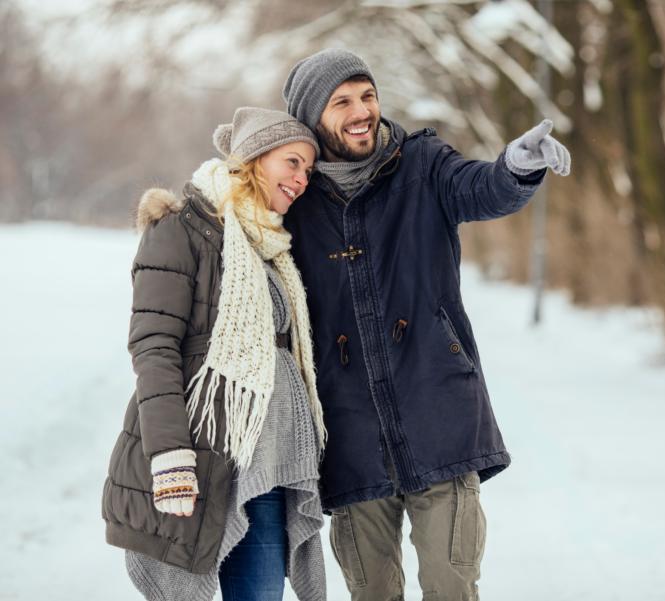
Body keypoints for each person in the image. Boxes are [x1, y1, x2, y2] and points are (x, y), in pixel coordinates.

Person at [280, 49, 571, 600]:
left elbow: (481, 188)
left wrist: (517, 165)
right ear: (310, 117)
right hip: (349, 436)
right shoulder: (295, 198)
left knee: (450, 585)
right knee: (372, 592)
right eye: (341, 102)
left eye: (367, 95)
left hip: (439, 413)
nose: (361, 110)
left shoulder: (422, 163)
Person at [101, 107, 328, 601]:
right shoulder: (180, 231)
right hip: (201, 467)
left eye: (308, 170)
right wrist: (170, 458)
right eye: (293, 162)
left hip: (265, 471)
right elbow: (153, 346)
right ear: (253, 159)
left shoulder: (273, 249)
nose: (301, 179)